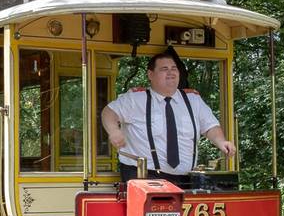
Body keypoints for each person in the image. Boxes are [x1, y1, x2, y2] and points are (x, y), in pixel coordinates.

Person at [101, 47, 236, 187]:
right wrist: (114, 131)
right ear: (150, 74)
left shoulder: (193, 100)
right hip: (144, 177)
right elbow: (108, 113)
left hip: (186, 179)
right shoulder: (136, 99)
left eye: (174, 68)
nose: (171, 72)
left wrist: (221, 142)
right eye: (164, 69)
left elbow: (210, 127)